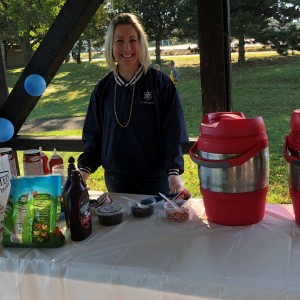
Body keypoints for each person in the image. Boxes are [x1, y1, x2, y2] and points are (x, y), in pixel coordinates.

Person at [77, 13, 189, 195]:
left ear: (141, 44)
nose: (126, 47)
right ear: (111, 46)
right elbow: (93, 136)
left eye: (133, 40)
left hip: (156, 180)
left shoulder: (160, 84)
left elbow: (174, 132)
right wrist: (83, 171)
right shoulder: (103, 88)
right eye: (119, 41)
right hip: (116, 181)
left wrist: (174, 173)